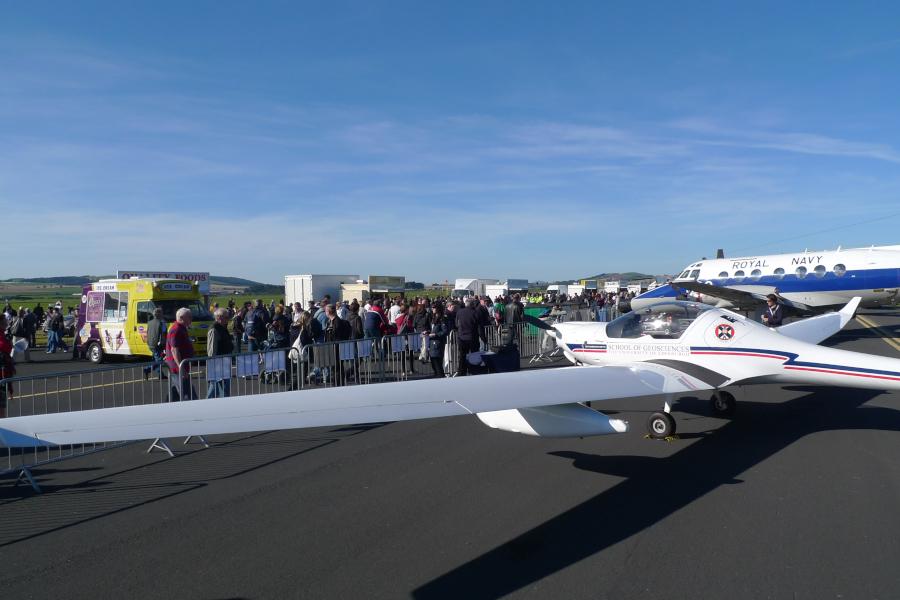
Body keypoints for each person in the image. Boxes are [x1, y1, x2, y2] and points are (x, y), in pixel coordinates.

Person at [165, 307, 196, 401]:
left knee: (175, 395)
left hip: (178, 368)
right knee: (187, 395)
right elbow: (174, 350)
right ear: (181, 318)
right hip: (178, 369)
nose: (191, 319)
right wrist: (181, 368)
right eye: (189, 317)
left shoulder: (181, 328)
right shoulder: (176, 329)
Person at [206, 308, 234, 398]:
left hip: (224, 361)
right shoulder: (214, 329)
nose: (228, 319)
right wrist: (213, 365)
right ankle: (206, 403)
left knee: (221, 387)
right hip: (218, 363)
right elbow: (211, 350)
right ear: (219, 317)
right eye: (226, 317)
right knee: (215, 387)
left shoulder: (222, 327)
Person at [455, 298, 481, 376]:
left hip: (462, 337)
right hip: (472, 337)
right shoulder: (475, 312)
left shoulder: (459, 312)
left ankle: (461, 372)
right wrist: (483, 337)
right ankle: (473, 371)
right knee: (474, 356)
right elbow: (479, 326)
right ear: (472, 304)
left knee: (462, 356)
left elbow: (456, 324)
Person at [143, 307, 167, 380]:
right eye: (162, 313)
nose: (163, 314)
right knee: (159, 361)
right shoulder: (162, 323)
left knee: (156, 359)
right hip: (158, 344)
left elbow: (148, 332)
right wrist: (164, 345)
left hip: (150, 343)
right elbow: (164, 334)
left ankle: (161, 374)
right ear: (159, 314)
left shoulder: (150, 322)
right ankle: (147, 369)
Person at [426, 303, 449, 378]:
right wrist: (427, 332)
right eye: (432, 307)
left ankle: (441, 377)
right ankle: (437, 376)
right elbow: (432, 329)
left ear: (438, 308)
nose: (432, 309)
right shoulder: (433, 317)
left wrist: (436, 334)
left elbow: (445, 331)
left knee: (437, 363)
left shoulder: (442, 319)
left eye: (434, 307)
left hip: (438, 343)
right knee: (433, 362)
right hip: (432, 342)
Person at [0, 313, 15, 418]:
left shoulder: (3, 334)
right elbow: (4, 347)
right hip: (2, 373)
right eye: (5, 321)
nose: (7, 322)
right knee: (1, 408)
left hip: (4, 372)